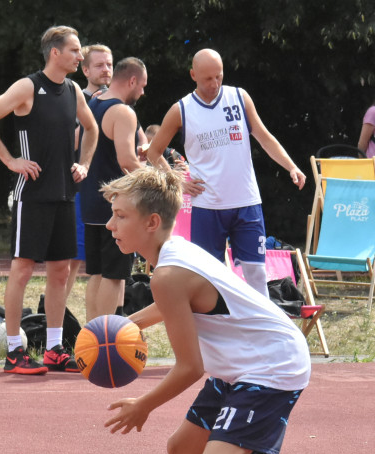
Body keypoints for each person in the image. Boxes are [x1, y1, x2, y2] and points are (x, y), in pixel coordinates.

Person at [102, 166, 314, 454]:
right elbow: (176, 302)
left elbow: (189, 367)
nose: (111, 225)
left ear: (151, 223)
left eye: (120, 216)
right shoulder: (174, 257)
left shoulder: (169, 270)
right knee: (183, 449)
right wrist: (126, 324)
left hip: (270, 365)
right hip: (244, 362)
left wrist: (143, 405)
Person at [0, 25, 98, 375]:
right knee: (23, 268)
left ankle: (55, 349)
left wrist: (84, 164)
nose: (80, 56)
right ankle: (14, 351)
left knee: (60, 271)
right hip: (33, 195)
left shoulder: (74, 90)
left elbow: (92, 128)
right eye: (74, 50)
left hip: (64, 193)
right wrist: (11, 161)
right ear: (55, 53)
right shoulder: (28, 87)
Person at [146, 49, 306, 297]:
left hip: (246, 202)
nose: (214, 84)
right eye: (208, 78)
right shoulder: (182, 110)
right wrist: (177, 180)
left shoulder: (239, 98)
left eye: (219, 76)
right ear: (193, 75)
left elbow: (264, 137)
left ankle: (260, 331)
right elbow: (154, 152)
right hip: (207, 206)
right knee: (210, 276)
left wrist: (292, 166)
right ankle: (221, 330)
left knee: (257, 275)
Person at [79, 57, 148, 321]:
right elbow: (127, 161)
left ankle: (94, 335)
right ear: (131, 81)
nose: (142, 92)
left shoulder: (94, 101)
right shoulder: (123, 112)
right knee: (114, 275)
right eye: (141, 86)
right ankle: (104, 338)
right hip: (114, 206)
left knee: (98, 274)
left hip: (91, 201)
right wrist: (158, 181)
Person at [66, 44, 114, 302]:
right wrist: (91, 120)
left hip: (108, 194)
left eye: (109, 64)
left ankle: (109, 325)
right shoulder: (75, 98)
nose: (106, 69)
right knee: (71, 262)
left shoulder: (116, 101)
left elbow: (138, 141)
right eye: (99, 65)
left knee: (109, 267)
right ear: (85, 69)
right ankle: (55, 322)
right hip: (78, 192)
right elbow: (70, 143)